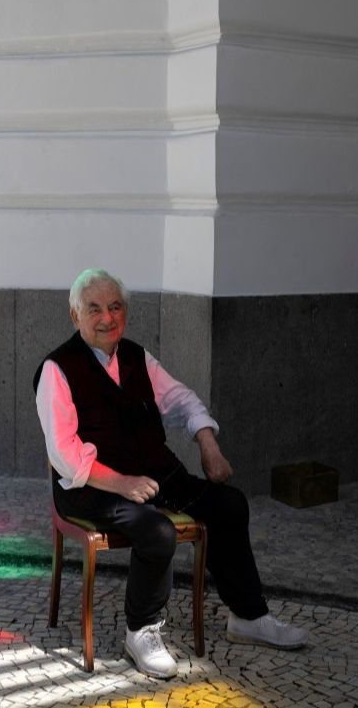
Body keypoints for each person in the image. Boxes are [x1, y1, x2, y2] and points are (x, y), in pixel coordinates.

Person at [34, 268, 309, 679]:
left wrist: (207, 442)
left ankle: (248, 617)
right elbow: (65, 455)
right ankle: (141, 631)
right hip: (92, 489)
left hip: (155, 475)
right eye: (94, 309)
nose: (107, 318)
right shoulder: (57, 370)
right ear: (75, 316)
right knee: (158, 530)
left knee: (229, 505)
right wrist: (122, 483)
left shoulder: (136, 357)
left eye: (115, 307)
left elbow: (181, 400)